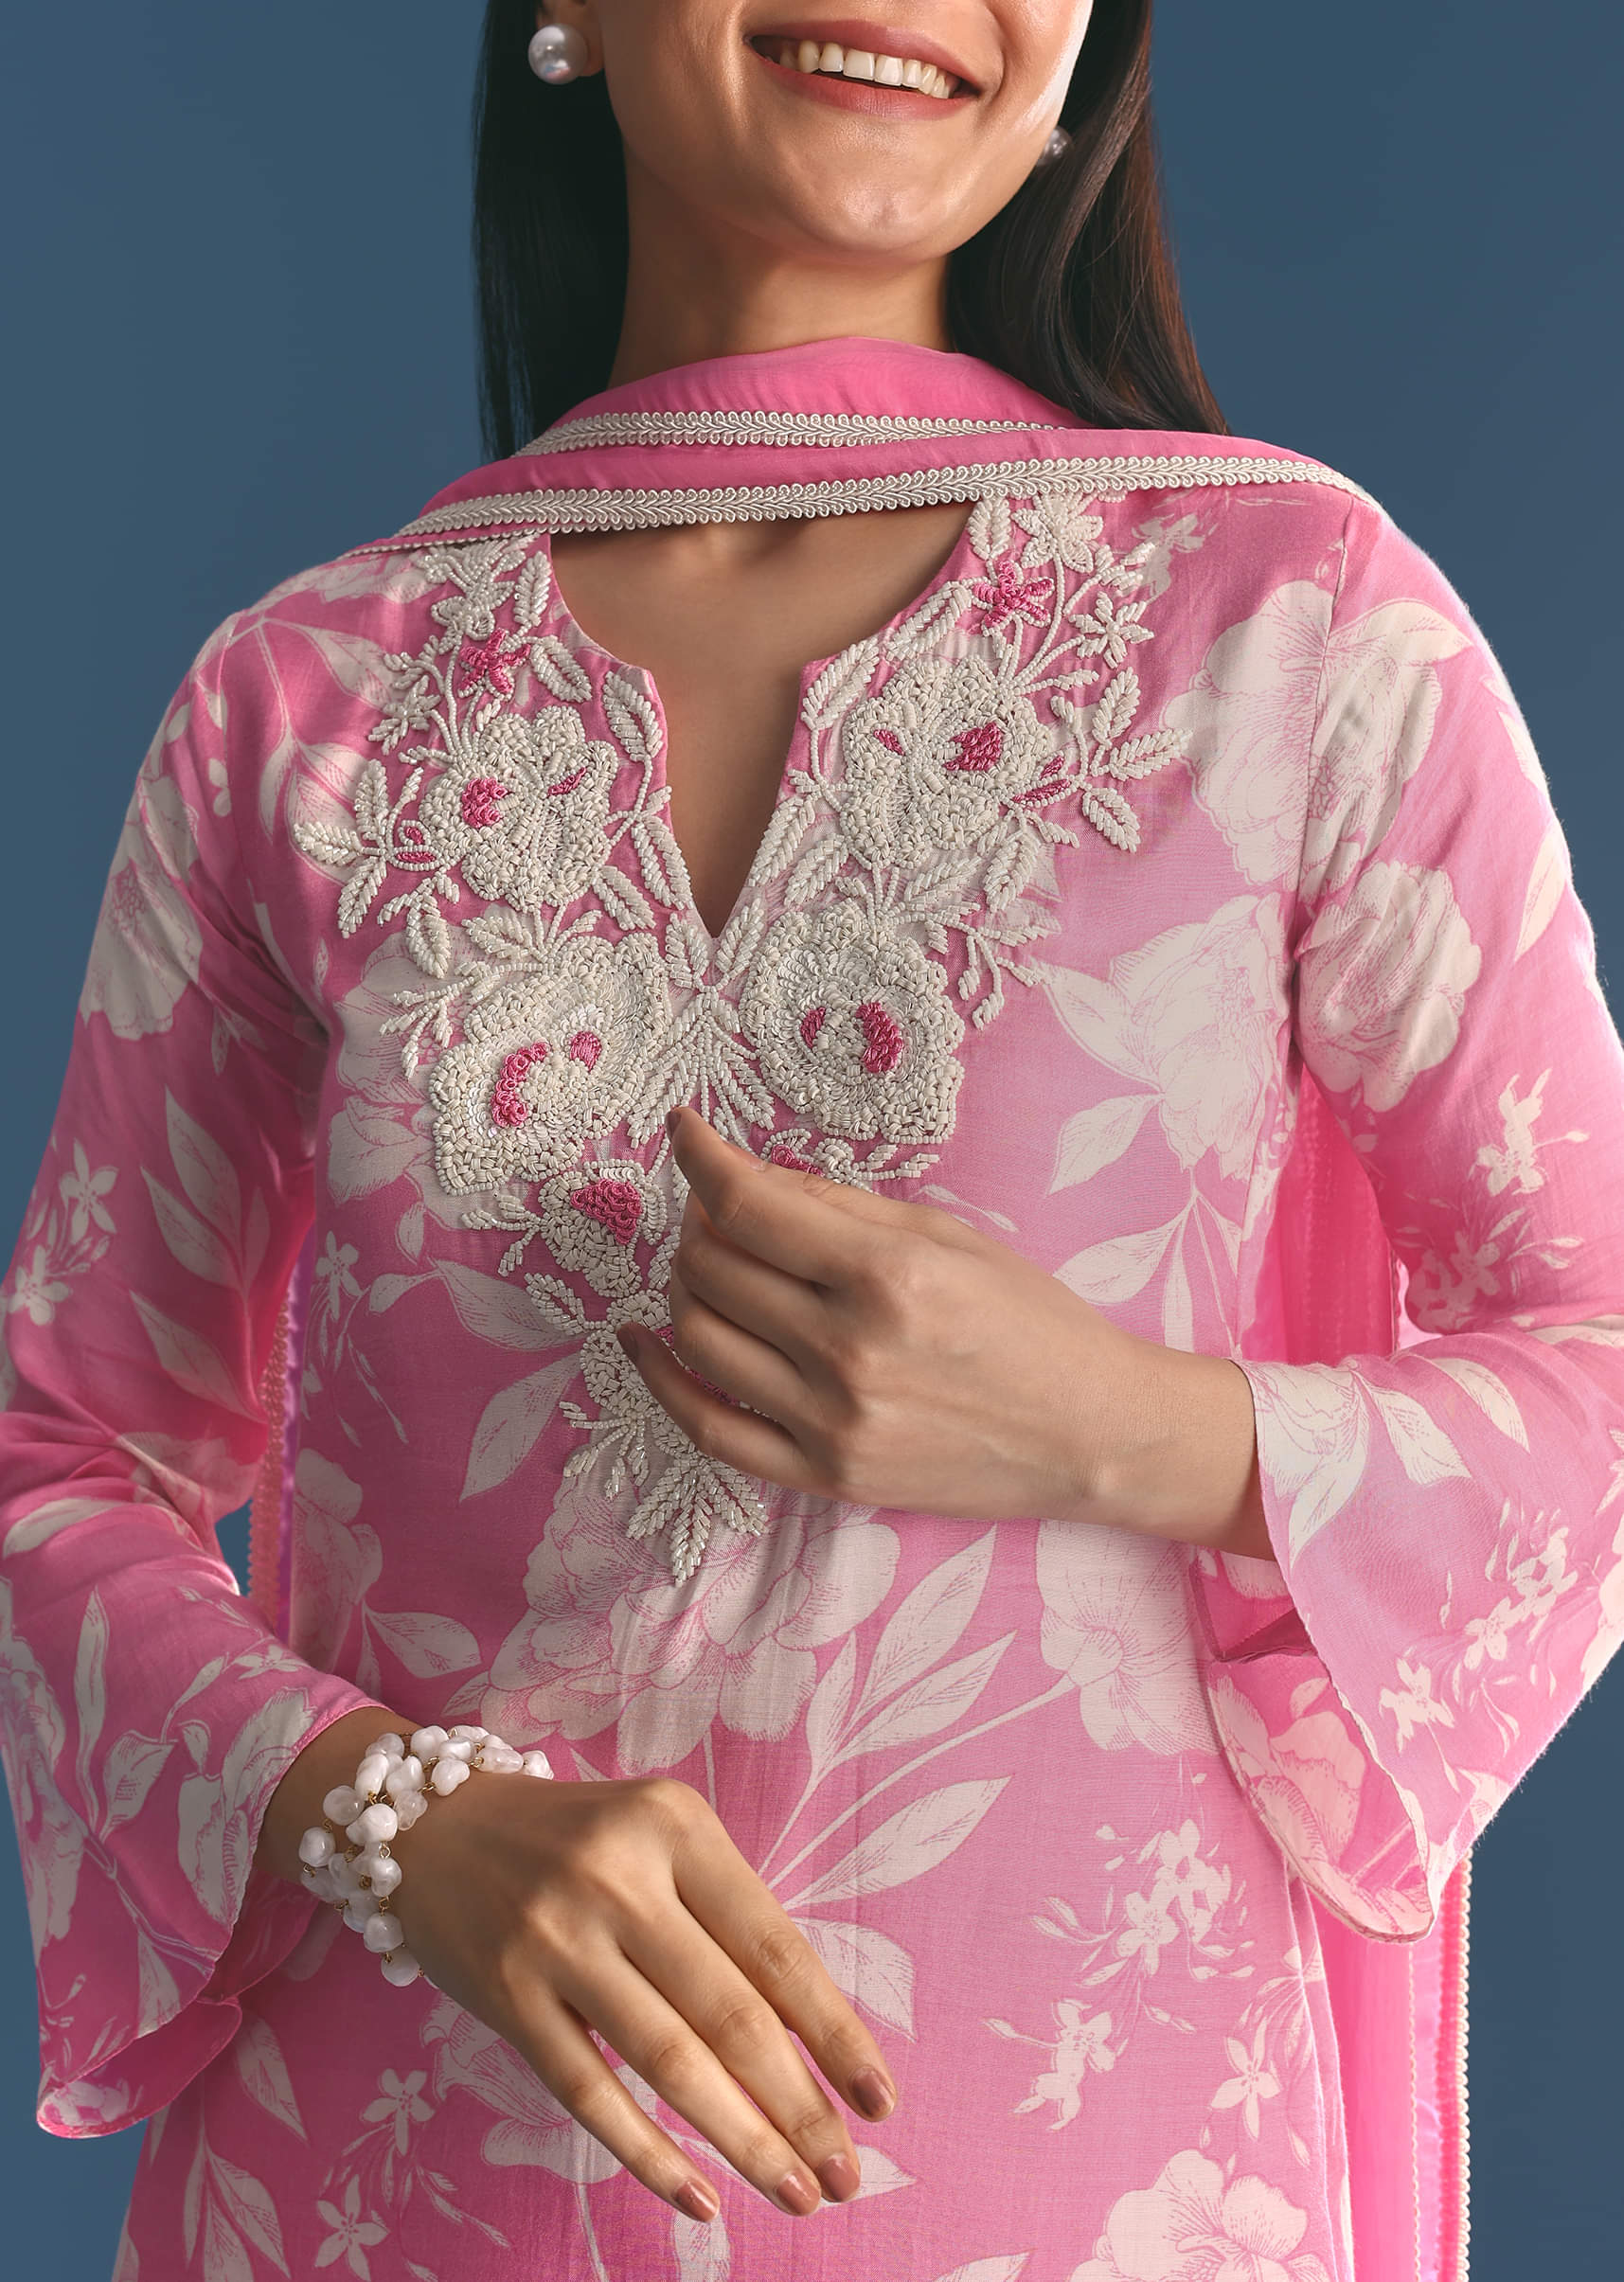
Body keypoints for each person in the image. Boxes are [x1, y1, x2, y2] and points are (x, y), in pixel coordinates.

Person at [3, 2, 1621, 2276]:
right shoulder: (303, 711)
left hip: (1087, 2181)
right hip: (402, 2180)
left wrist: (1125, 1424)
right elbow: (56, 1459)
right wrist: (389, 1809)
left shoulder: (1292, 636)